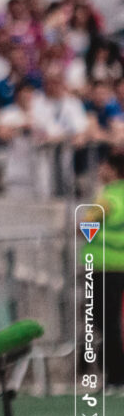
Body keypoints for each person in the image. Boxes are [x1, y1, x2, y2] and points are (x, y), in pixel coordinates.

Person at [88, 153, 124, 386]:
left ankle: (115, 376)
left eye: (104, 165)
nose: (100, 169)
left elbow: (85, 226)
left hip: (106, 266)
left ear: (112, 170)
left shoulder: (108, 198)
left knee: (104, 322)